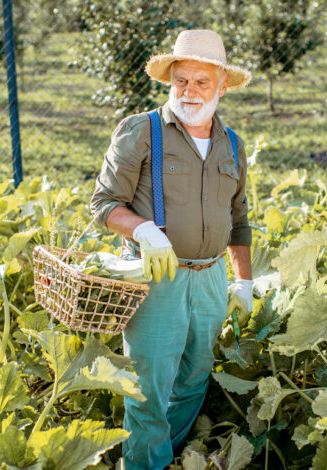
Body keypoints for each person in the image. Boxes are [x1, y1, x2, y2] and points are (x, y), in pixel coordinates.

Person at [90, 29, 254, 470]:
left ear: (222, 87)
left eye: (202, 82)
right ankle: (147, 463)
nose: (189, 91)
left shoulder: (232, 145)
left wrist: (243, 281)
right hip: (157, 277)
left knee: (194, 380)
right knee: (148, 387)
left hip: (211, 278)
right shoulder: (141, 131)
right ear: (169, 82)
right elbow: (103, 204)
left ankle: (163, 454)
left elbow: (239, 220)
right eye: (181, 80)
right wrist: (144, 230)